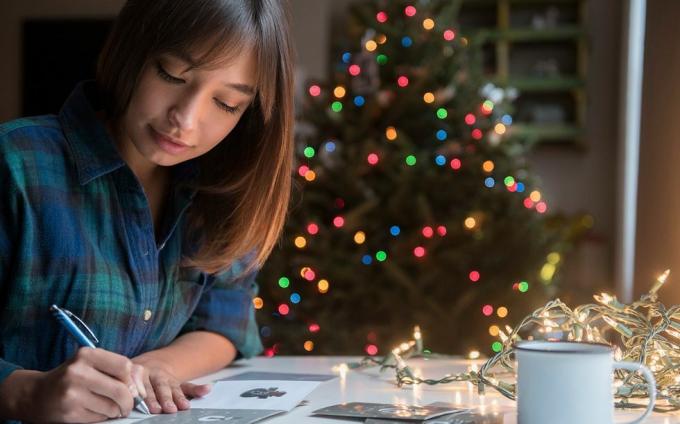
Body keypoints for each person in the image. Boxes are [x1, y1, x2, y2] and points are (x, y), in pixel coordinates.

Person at [0, 0, 294, 422]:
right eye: (172, 74)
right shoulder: (16, 166)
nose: (186, 119)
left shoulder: (224, 187)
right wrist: (24, 393)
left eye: (227, 103)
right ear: (133, 50)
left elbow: (225, 327)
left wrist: (157, 369)